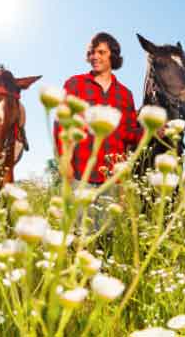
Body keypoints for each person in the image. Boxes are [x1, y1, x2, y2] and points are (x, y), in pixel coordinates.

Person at [58, 32, 142, 231]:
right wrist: (65, 162)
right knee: (78, 236)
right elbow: (62, 125)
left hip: (112, 178)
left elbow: (129, 134)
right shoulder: (74, 84)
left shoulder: (125, 94)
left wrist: (153, 132)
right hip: (80, 173)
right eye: (92, 52)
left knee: (106, 236)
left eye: (101, 52)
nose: (95, 56)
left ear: (112, 55)